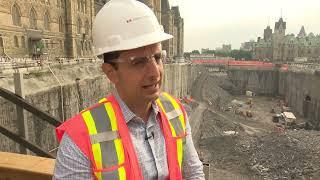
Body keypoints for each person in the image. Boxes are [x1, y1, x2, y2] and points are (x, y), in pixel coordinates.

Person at [53, 0, 205, 179]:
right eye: (139, 62)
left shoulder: (175, 112)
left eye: (157, 57)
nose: (155, 72)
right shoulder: (80, 138)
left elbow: (193, 172)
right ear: (111, 73)